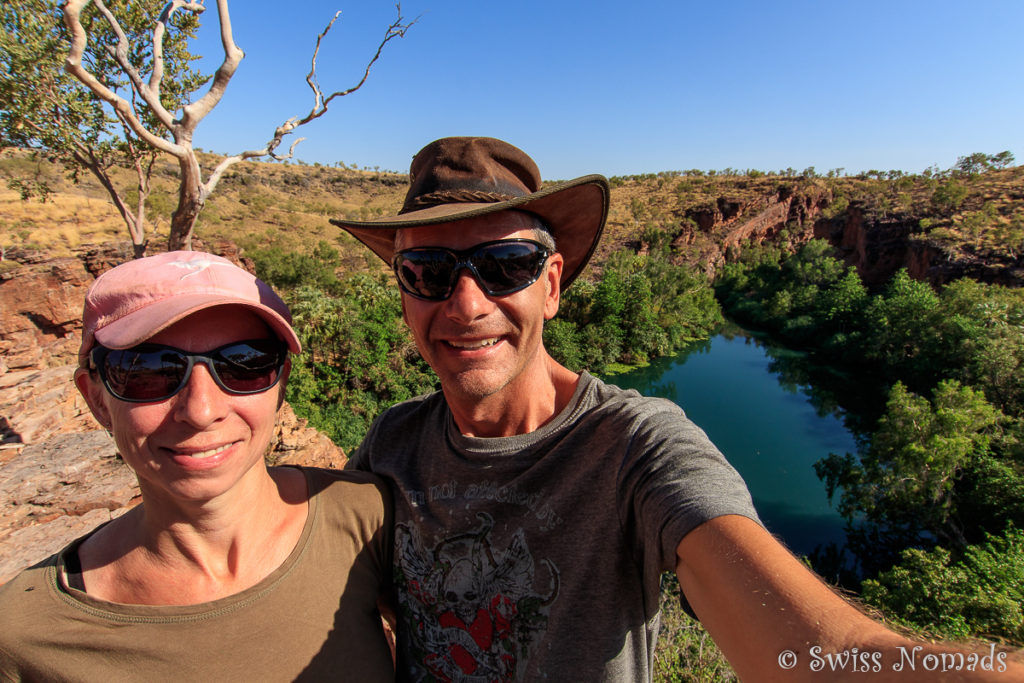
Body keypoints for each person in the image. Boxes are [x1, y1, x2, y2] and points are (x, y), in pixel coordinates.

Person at [332, 137, 1023, 681]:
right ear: (403, 293)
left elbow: (813, 653)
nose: (466, 303)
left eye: (505, 264)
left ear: (551, 285)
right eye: (426, 272)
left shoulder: (636, 447)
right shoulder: (393, 440)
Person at [0, 251, 394, 681]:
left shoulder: (365, 519)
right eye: (148, 370)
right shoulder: (23, 635)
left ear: (281, 381)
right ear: (96, 398)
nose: (202, 410)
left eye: (245, 363)